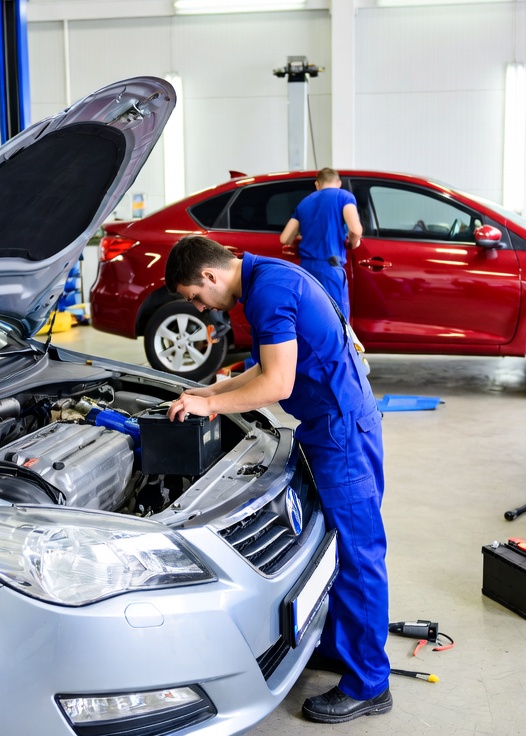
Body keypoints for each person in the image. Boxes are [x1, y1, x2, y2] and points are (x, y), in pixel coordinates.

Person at [164, 235, 391, 724]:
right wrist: (211, 389)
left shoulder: (269, 291)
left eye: (195, 297)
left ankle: (370, 682)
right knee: (333, 547)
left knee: (358, 554)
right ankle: (343, 647)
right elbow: (266, 367)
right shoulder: (266, 275)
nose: (201, 309)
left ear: (209, 275)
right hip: (336, 424)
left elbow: (277, 384)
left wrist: (210, 405)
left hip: (341, 433)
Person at [280, 168, 363, 322]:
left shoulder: (305, 202)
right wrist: (352, 243)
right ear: (338, 183)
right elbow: (355, 230)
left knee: (312, 317)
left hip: (306, 269)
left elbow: (285, 238)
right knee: (337, 320)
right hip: (330, 268)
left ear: (317, 184)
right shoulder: (343, 196)